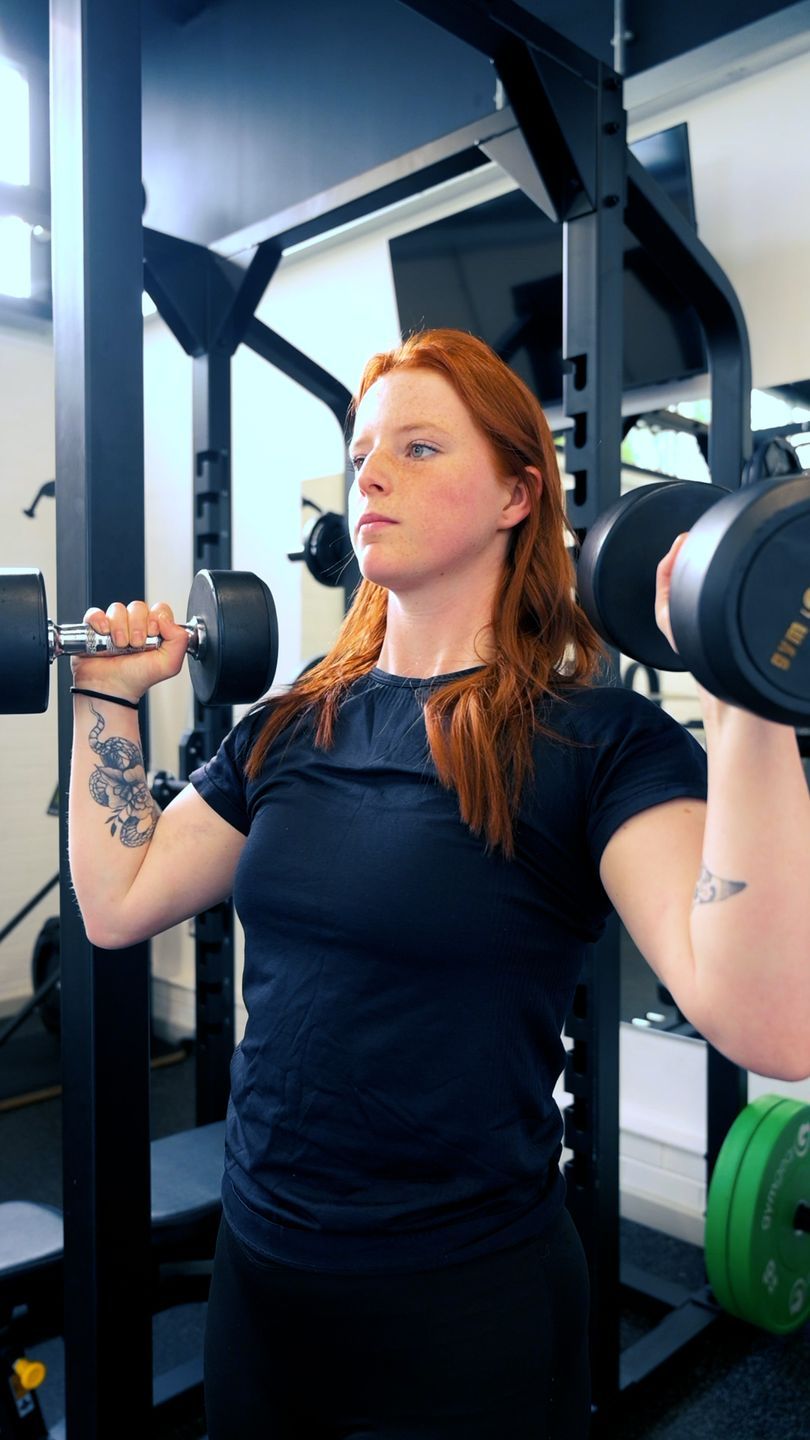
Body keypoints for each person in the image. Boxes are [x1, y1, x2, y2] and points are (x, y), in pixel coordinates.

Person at [68, 329, 810, 1439]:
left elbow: (772, 1024)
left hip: (466, 1303)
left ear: (518, 494)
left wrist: (741, 683)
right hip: (261, 1268)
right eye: (363, 452)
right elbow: (118, 901)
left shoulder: (597, 742)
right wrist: (107, 696)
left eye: (417, 448)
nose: (371, 474)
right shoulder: (291, 725)